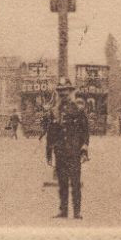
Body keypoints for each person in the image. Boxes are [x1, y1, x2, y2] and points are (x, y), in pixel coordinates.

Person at [45, 84, 91, 219]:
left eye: (65, 91)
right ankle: (63, 211)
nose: (63, 94)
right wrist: (48, 152)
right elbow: (51, 133)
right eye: (60, 92)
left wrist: (84, 148)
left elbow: (85, 130)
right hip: (60, 152)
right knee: (62, 182)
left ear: (71, 92)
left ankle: (77, 212)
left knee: (75, 182)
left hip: (74, 152)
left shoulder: (78, 109)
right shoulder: (54, 111)